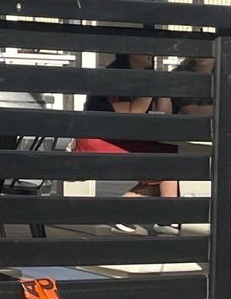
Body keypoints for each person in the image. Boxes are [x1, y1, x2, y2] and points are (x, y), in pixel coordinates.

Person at [74, 53, 178, 198]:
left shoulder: (145, 74)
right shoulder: (116, 74)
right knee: (171, 159)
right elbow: (130, 115)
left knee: (171, 157)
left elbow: (164, 114)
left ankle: (125, 212)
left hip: (123, 139)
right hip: (97, 140)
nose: (152, 54)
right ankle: (172, 214)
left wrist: (163, 88)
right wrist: (152, 86)